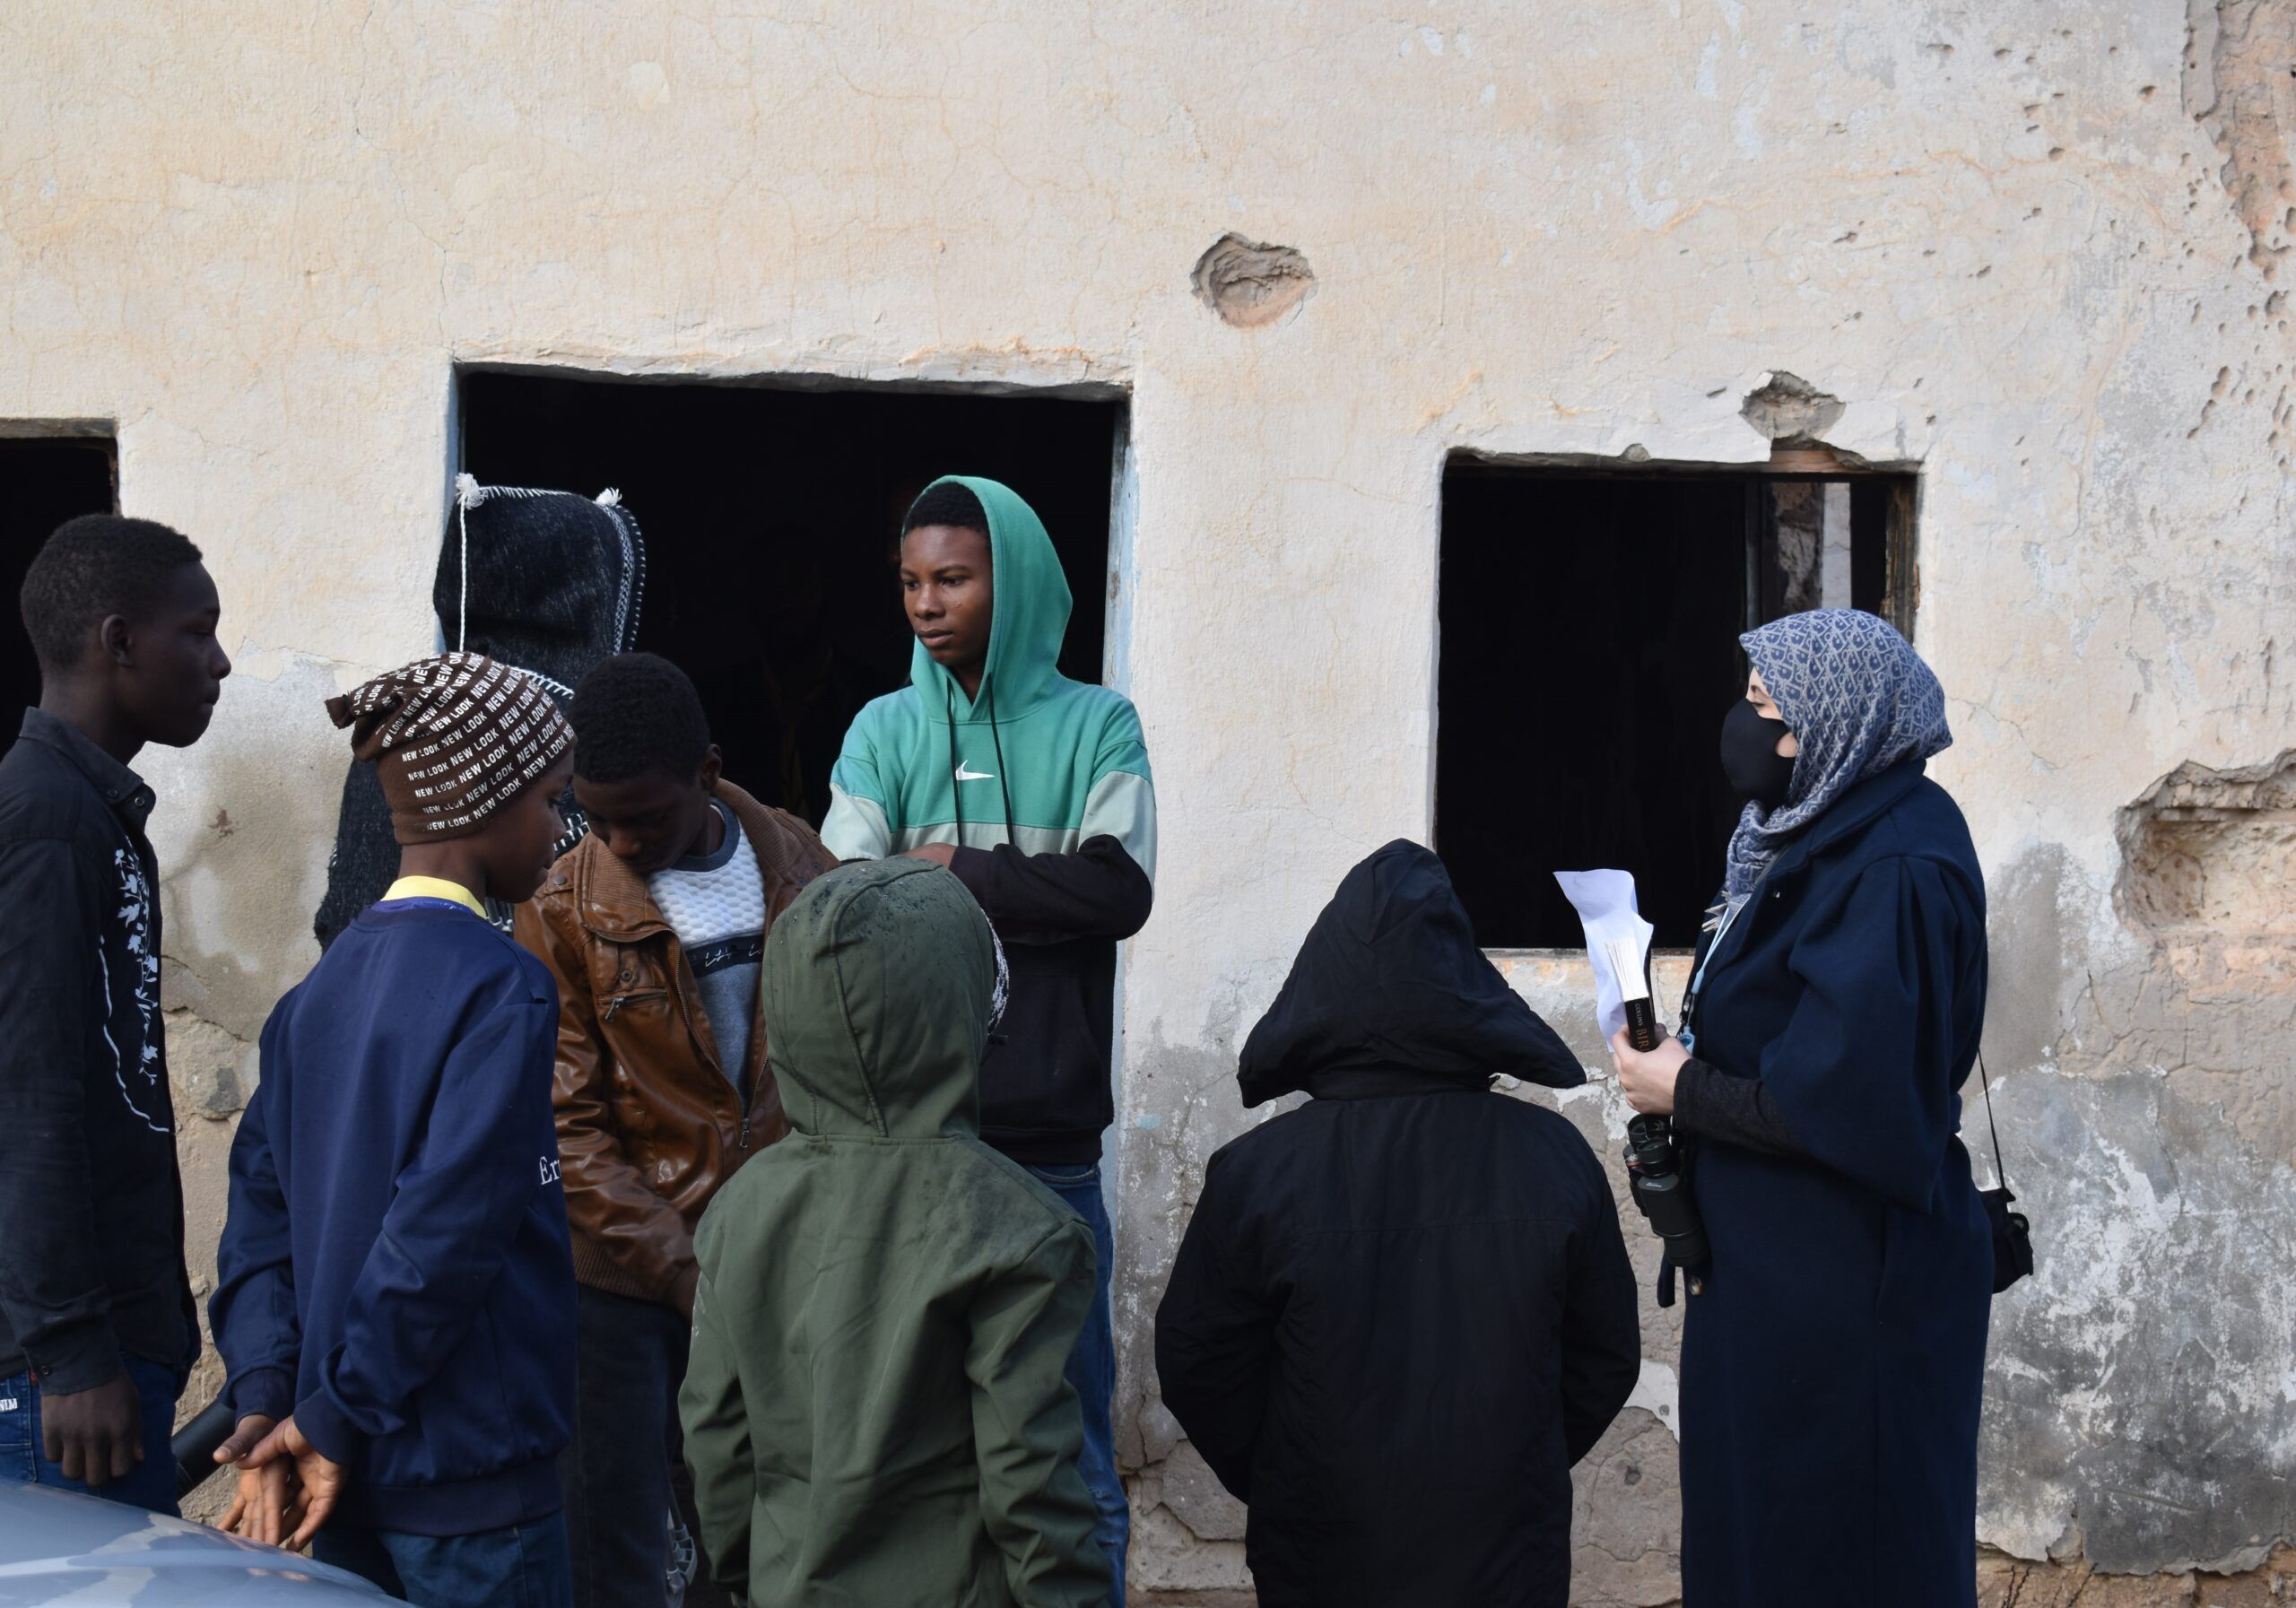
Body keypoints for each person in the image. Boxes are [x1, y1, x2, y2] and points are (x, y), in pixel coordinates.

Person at [1607, 609, 1991, 1608]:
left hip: (1847, 1305)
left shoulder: (1893, 868)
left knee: (1837, 1557)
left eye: (1765, 706)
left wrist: (1680, 1088)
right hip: (1779, 1289)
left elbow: (1856, 1105)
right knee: (1762, 1547)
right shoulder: (1812, 832)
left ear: (1835, 722)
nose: (1745, 727)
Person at [1155, 839, 1640, 1608]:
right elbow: (1605, 1356)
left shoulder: (1259, 1172)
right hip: (1506, 1561)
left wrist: (1292, 1479)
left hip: (1320, 1563)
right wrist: (1515, 1467)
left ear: (1323, 983)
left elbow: (1198, 1362)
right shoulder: (1555, 1155)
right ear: (1461, 984)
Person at [822, 475, 1153, 1594]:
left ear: (1015, 582)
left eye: (954, 578)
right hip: (913, 1141)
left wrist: (953, 867)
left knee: (1070, 1439)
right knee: (919, 1443)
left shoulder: (1098, 724)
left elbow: (1118, 890)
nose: (927, 603)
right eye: (911, 581)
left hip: (1050, 1147)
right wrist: (1026, 893)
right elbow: (843, 895)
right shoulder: (883, 728)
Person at [209, 652, 579, 1606]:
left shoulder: (311, 1000)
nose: (561, 827)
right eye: (551, 799)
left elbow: (256, 1228)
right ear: (485, 801)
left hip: (333, 1476)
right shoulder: (503, 986)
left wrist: (272, 1396)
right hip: (469, 1488)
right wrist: (333, 1411)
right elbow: (446, 1232)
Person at [678, 857, 1112, 1608]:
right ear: (965, 1010)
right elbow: (1035, 1492)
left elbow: (716, 1441)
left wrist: (755, 1577)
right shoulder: (1022, 1229)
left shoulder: (738, 1209)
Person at [515, 651, 831, 1608]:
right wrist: (687, 1270)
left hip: (772, 1263)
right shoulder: (560, 904)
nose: (621, 840)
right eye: (596, 817)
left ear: (708, 770)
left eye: (646, 817)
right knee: (623, 1546)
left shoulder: (801, 865)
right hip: (623, 1281)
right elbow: (565, 1126)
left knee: (765, 1524)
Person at [0, 516, 230, 1515]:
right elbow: (27, 1096)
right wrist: (72, 1352)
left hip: (103, 1358)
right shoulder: (46, 820)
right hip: (58, 1386)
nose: (219, 662)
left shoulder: (91, 812)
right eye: (198, 631)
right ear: (120, 640)